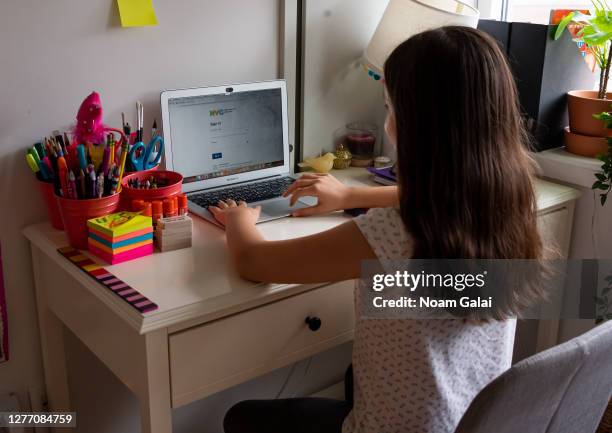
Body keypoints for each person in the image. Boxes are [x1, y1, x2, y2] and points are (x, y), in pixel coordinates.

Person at [214, 26, 544, 433]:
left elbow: (253, 260)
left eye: (391, 109)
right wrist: (353, 197)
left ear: (419, 125)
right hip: (464, 420)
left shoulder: (393, 234)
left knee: (239, 416)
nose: (388, 125)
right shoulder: (510, 203)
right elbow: (436, 197)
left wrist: (237, 221)